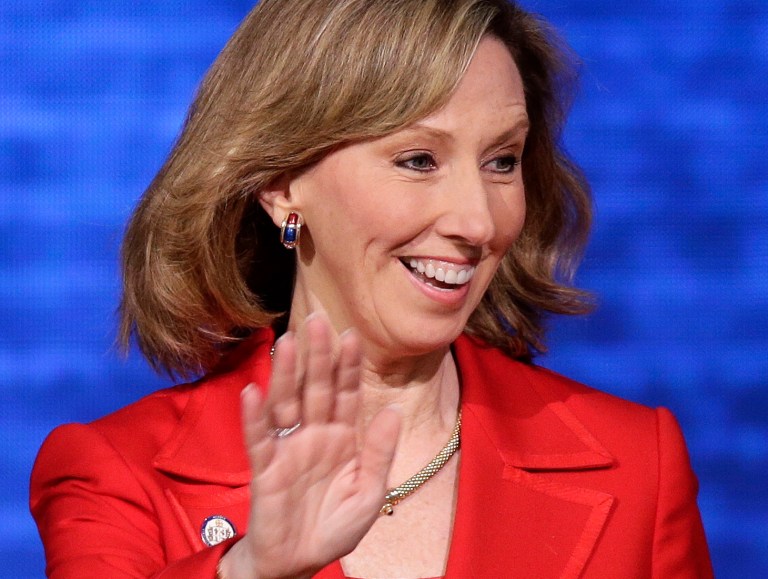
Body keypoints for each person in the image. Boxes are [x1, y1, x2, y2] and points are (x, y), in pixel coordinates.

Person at [30, 0, 714, 577]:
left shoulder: (637, 464)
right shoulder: (118, 474)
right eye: (418, 160)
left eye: (502, 160)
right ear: (281, 182)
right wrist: (248, 570)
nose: (478, 221)